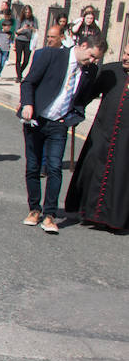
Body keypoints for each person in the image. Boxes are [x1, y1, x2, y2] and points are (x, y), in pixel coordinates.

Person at [19, 33, 106, 233]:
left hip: (59, 124)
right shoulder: (52, 56)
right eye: (92, 56)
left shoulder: (90, 71)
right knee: (33, 166)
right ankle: (34, 209)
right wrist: (28, 104)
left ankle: (50, 214)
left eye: (96, 59)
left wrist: (71, 118)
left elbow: (83, 99)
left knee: (55, 167)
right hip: (36, 119)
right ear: (83, 45)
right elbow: (28, 82)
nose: (92, 61)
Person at [66, 41, 129, 231]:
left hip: (125, 139)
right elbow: (87, 93)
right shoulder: (111, 71)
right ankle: (89, 213)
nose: (124, 57)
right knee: (93, 170)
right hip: (103, 131)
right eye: (125, 53)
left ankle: (114, 219)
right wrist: (73, 112)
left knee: (120, 177)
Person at [13, 5, 38, 82]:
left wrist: (31, 28)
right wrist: (23, 28)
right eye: (26, 12)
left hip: (28, 41)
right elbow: (16, 31)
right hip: (20, 40)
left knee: (26, 60)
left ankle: (20, 72)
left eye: (29, 12)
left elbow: (36, 30)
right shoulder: (20, 19)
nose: (27, 14)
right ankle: (19, 76)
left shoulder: (34, 19)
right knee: (18, 59)